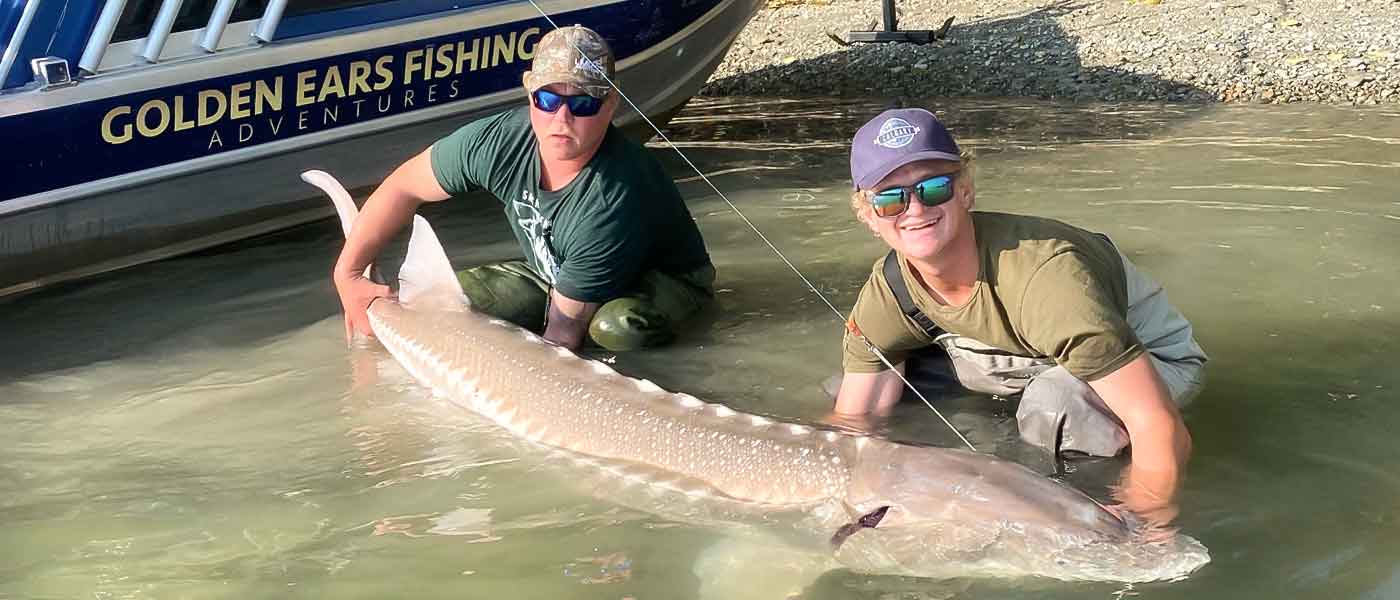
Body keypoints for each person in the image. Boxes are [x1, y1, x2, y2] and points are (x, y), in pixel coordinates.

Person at [833, 107, 1208, 524]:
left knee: (1058, 404)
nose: (916, 209)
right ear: (868, 216)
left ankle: (1085, 497)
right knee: (862, 389)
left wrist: (1146, 520)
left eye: (934, 187)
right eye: (890, 199)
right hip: (1027, 350)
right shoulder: (888, 289)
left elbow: (1157, 422)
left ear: (966, 192)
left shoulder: (1050, 276)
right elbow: (852, 422)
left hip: (1149, 358)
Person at [332, 25, 714, 352]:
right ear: (530, 94)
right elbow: (402, 187)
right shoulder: (497, 142)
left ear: (611, 103)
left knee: (614, 329)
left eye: (582, 104)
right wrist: (348, 277)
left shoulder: (612, 197)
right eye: (548, 99)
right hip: (554, 272)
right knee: (440, 304)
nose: (561, 118)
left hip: (660, 283)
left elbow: (563, 336)